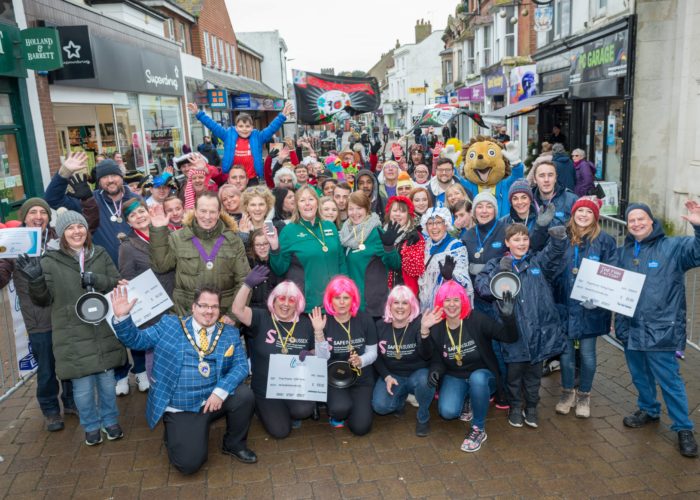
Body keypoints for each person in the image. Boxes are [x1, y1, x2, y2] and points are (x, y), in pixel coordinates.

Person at [111, 285, 256, 473]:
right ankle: (175, 431)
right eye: (203, 305)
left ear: (219, 309)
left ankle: (234, 444)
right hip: (182, 405)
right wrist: (122, 318)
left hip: (213, 400)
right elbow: (136, 340)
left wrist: (220, 392)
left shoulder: (229, 332)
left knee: (245, 396)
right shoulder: (169, 325)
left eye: (214, 306)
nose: (209, 311)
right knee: (188, 465)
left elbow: (241, 366)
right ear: (193, 307)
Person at [20, 209, 127, 445]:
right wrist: (36, 280)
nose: (76, 231)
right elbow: (42, 300)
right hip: (71, 334)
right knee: (83, 390)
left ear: (86, 230)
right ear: (61, 233)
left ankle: (110, 420)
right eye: (70, 228)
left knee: (108, 385)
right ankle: (90, 426)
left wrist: (96, 279)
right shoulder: (50, 260)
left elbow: (115, 282)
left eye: (80, 226)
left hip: (102, 331)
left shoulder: (98, 253)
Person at [615, 201, 700, 458]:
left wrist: (698, 227)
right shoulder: (624, 252)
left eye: (642, 218)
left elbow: (697, 252)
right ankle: (649, 409)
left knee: (669, 380)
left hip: (662, 328)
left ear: (652, 221)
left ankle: (683, 427)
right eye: (632, 220)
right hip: (631, 327)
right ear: (628, 225)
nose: (637, 223)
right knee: (640, 375)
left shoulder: (673, 247)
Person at [475, 222, 568, 429]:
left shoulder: (536, 263)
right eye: (516, 239)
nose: (522, 243)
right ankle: (515, 406)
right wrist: (500, 270)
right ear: (507, 242)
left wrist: (559, 240)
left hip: (537, 331)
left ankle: (532, 407)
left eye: (525, 238)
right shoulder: (496, 263)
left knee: (534, 375)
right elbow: (482, 288)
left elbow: (553, 257)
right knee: (514, 375)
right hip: (512, 332)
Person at [0, 199, 77, 431]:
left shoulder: (59, 237)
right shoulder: (14, 241)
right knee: (46, 368)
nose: (38, 215)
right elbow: (2, 274)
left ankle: (72, 401)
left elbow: (87, 230)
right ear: (24, 217)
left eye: (42, 211)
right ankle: (50, 409)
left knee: (70, 360)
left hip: (64, 313)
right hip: (38, 317)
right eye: (32, 212)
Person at [423, 280, 516, 452]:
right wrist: (424, 333)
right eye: (447, 300)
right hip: (455, 375)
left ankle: (478, 429)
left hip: (483, 375)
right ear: (441, 303)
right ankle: (468, 397)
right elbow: (433, 357)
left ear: (463, 301)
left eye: (456, 300)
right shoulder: (437, 327)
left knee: (477, 379)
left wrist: (509, 319)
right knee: (447, 412)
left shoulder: (476, 319)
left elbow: (509, 337)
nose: (451, 305)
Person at [232, 269, 326, 438]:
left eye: (292, 300)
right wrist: (247, 285)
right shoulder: (261, 317)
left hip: (293, 386)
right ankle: (261, 409)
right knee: (281, 431)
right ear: (273, 301)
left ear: (297, 304)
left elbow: (322, 358)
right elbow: (237, 310)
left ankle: (284, 410)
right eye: (281, 298)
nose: (286, 304)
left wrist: (318, 335)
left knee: (303, 410)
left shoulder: (305, 323)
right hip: (265, 389)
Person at [553, 197, 616, 419]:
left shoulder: (605, 241)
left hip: (591, 310)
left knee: (588, 355)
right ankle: (567, 393)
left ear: (595, 216)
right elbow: (551, 267)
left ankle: (584, 395)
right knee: (566, 354)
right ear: (573, 213)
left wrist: (599, 298)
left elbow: (612, 273)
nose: (583, 215)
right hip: (565, 305)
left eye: (588, 212)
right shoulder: (562, 237)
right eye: (579, 211)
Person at [149, 192, 250, 316]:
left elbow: (244, 281)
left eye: (212, 212)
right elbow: (161, 266)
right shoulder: (178, 237)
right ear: (195, 212)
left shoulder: (233, 241)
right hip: (186, 313)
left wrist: (233, 316)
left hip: (221, 314)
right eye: (203, 211)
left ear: (218, 214)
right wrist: (159, 230)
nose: (207, 216)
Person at [117, 199, 176, 392]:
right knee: (156, 355)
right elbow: (128, 278)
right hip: (154, 309)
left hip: (177, 300)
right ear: (128, 223)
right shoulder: (128, 246)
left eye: (141, 211)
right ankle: (160, 393)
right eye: (132, 215)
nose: (139, 217)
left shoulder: (169, 232)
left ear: (149, 212)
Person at [44, 152, 139, 264]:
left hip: (137, 267)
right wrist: (64, 173)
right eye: (104, 177)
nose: (110, 180)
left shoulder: (137, 200)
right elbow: (52, 199)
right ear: (99, 181)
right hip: (104, 270)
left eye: (114, 175)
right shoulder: (88, 199)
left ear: (121, 177)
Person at [268, 186, 346, 312]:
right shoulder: (289, 231)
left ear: (317, 202)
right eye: (302, 200)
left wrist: (344, 290)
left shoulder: (330, 226)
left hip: (335, 302)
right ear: (297, 205)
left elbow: (341, 261)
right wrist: (274, 247)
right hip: (308, 305)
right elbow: (279, 269)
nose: (307, 204)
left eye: (311, 199)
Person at [316, 276, 377, 434]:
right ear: (330, 300)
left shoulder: (365, 319)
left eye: (346, 297)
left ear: (353, 299)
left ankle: (356, 409)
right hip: (334, 378)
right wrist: (318, 333)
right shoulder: (324, 321)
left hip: (361, 377)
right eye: (337, 298)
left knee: (361, 428)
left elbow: (373, 353)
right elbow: (321, 359)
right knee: (340, 408)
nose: (342, 302)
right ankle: (338, 413)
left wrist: (361, 360)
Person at [371, 286, 434, 436]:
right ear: (389, 305)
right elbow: (376, 356)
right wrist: (386, 376)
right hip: (393, 376)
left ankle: (423, 416)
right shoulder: (380, 326)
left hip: (417, 375)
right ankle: (401, 398)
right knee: (380, 407)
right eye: (396, 302)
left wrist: (425, 332)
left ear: (411, 306)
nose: (400, 307)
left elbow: (427, 355)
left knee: (425, 379)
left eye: (405, 303)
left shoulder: (419, 324)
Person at [187, 101, 292, 178]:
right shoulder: (228, 135)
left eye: (247, 126)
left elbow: (271, 128)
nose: (244, 129)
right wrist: (199, 114)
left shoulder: (258, 137)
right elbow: (213, 125)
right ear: (236, 127)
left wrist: (282, 116)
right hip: (233, 178)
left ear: (252, 127)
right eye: (241, 126)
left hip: (252, 178)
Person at [339, 192, 402, 317]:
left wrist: (389, 247)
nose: (355, 213)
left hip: (373, 306)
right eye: (351, 208)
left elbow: (395, 264)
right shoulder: (344, 234)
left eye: (359, 208)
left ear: (367, 209)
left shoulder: (376, 233)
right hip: (351, 304)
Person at [417, 207, 472, 311]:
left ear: (446, 224)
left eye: (438, 222)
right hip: (427, 304)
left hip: (448, 304)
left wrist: (451, 277)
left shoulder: (456, 246)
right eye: (430, 223)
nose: (434, 227)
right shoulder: (425, 245)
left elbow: (464, 281)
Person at [385, 196, 424, 296]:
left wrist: (405, 251)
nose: (398, 214)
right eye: (395, 210)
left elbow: (415, 269)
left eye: (402, 211)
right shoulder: (382, 233)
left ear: (408, 215)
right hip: (384, 292)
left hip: (407, 292)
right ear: (389, 213)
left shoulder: (415, 237)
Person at [532, 161, 578, 228]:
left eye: (550, 175)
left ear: (555, 178)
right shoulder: (528, 201)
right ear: (535, 179)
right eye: (542, 176)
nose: (546, 180)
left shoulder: (571, 200)